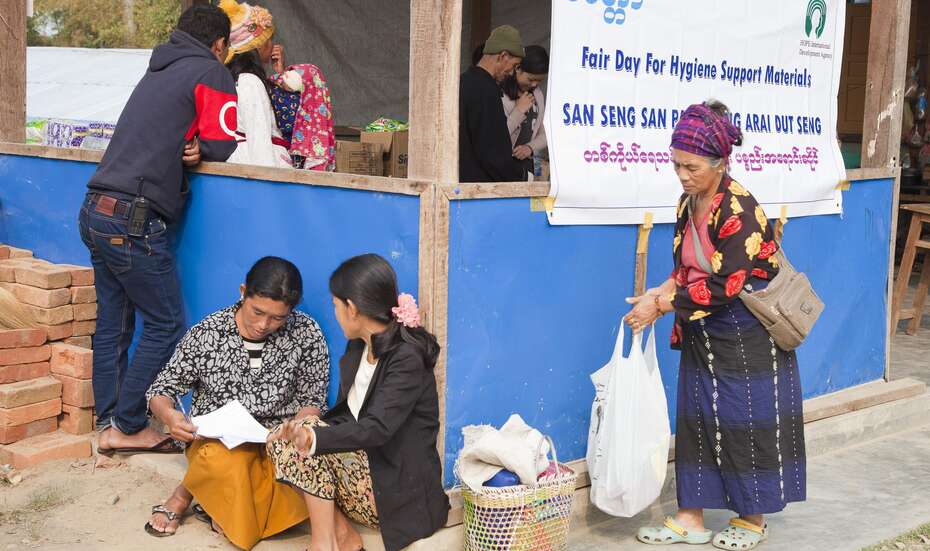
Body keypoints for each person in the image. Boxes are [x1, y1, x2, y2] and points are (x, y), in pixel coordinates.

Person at [626, 101, 805, 549]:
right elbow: (686, 268)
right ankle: (690, 516)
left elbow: (728, 284)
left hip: (745, 331)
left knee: (745, 420)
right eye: (677, 165)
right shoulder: (690, 202)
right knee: (697, 420)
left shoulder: (739, 208)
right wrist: (658, 291)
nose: (683, 175)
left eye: (691, 167)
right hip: (703, 329)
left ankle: (751, 518)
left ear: (720, 163)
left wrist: (664, 306)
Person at [81, 4, 238, 456]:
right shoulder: (211, 70)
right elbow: (223, 144)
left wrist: (189, 144)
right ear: (220, 45)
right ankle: (128, 426)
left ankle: (110, 419)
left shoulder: (156, 68)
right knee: (166, 323)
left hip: (96, 208)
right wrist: (202, 148)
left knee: (115, 321)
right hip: (133, 217)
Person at [143, 256, 330, 549]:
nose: (263, 324)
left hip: (277, 443)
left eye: (278, 318)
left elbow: (312, 398)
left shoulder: (306, 333)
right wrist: (169, 416)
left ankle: (213, 503)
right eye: (257, 311)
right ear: (243, 291)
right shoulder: (208, 332)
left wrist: (297, 430)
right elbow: (161, 389)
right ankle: (193, 497)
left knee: (308, 473)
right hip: (218, 443)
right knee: (221, 463)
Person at [266, 254, 449, 551]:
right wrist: (304, 433)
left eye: (336, 306)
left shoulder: (406, 359)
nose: (335, 313)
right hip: (364, 476)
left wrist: (314, 435)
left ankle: (325, 545)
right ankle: (340, 539)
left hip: (396, 491)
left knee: (309, 433)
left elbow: (376, 429)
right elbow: (345, 419)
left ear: (351, 308)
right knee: (282, 439)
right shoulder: (358, 347)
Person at [219, 0, 293, 168]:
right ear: (259, 44)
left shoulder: (239, 78)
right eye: (270, 39)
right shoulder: (250, 82)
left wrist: (280, 74)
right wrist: (267, 182)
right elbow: (259, 139)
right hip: (259, 166)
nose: (273, 44)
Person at [459, 25, 530, 183]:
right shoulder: (486, 90)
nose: (511, 73)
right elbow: (492, 151)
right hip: (480, 189)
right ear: (503, 56)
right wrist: (519, 176)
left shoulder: (463, 80)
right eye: (513, 66)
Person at [501, 45, 549, 177]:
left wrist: (530, 148)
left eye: (539, 81)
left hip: (525, 168)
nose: (534, 84)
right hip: (500, 166)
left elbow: (545, 134)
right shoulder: (500, 94)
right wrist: (518, 111)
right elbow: (495, 137)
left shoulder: (538, 95)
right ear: (518, 68)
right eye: (531, 79)